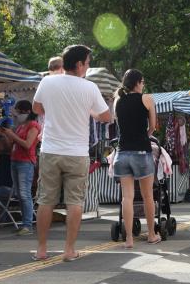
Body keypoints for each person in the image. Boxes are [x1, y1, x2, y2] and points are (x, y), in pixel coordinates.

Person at [32, 45, 110, 261]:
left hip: (50, 150)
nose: (88, 66)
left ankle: (41, 249)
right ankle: (69, 250)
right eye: (87, 62)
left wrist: (56, 110)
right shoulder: (89, 88)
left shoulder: (47, 81)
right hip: (77, 152)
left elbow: (37, 109)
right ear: (78, 65)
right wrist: (90, 111)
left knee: (45, 200)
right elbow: (105, 117)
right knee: (74, 202)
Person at [113, 69, 159, 249]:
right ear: (138, 82)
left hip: (122, 153)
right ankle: (152, 235)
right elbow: (153, 126)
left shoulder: (118, 100)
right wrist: (145, 135)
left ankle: (129, 239)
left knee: (127, 197)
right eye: (143, 82)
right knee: (148, 196)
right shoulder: (146, 99)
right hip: (141, 152)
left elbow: (119, 125)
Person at [1, 100, 41, 236]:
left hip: (26, 162)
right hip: (15, 160)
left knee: (24, 194)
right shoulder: (20, 126)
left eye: (19, 111)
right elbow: (12, 144)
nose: (17, 114)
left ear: (27, 112)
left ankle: (28, 225)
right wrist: (7, 136)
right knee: (19, 194)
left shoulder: (34, 125)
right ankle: (25, 223)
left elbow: (28, 144)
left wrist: (12, 135)